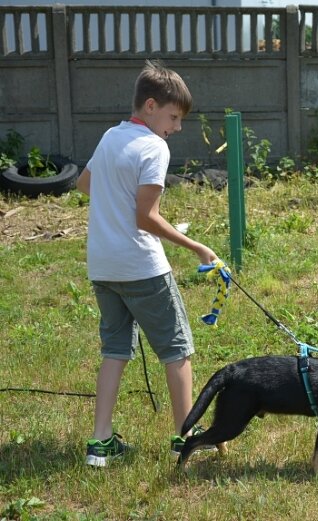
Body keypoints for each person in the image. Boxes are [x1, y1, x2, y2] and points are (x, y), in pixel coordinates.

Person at [76, 60, 217, 467]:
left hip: (102, 265)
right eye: (174, 117)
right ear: (151, 106)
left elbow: (85, 184)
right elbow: (146, 218)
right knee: (177, 351)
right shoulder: (155, 146)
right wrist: (197, 247)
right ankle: (185, 439)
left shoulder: (110, 136)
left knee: (115, 350)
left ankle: (100, 443)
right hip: (142, 267)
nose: (177, 126)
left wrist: (112, 200)